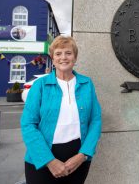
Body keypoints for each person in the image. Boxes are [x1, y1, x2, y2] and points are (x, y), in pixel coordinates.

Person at [21, 36, 102, 184]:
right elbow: (28, 125)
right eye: (58, 54)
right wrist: (49, 161)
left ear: (75, 57)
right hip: (42, 159)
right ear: (52, 58)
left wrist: (83, 155)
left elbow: (95, 120)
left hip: (78, 159)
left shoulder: (87, 84)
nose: (63, 57)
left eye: (68, 53)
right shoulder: (40, 85)